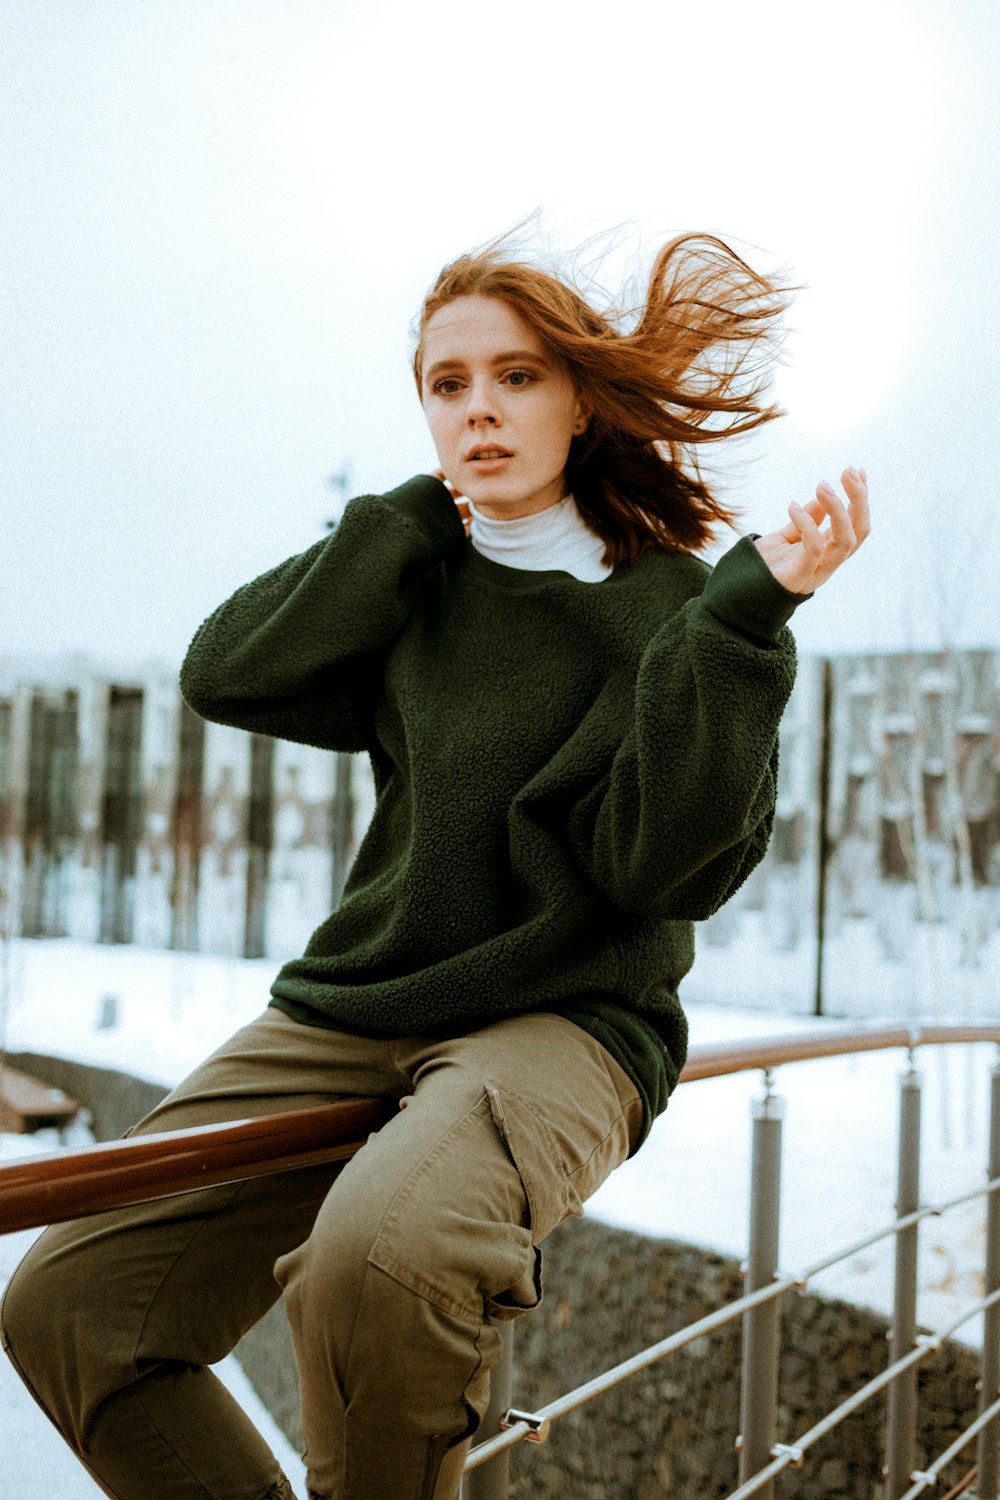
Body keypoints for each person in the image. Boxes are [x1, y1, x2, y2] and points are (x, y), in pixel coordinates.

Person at [1, 228, 869, 1500]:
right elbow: (228, 672)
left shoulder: (676, 609)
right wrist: (406, 521)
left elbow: (656, 873)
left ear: (580, 399)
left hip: (565, 1016)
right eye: (445, 386)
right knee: (71, 1301)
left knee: (381, 1258)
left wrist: (744, 621)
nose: (478, 412)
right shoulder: (415, 580)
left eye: (515, 378)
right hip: (364, 1000)